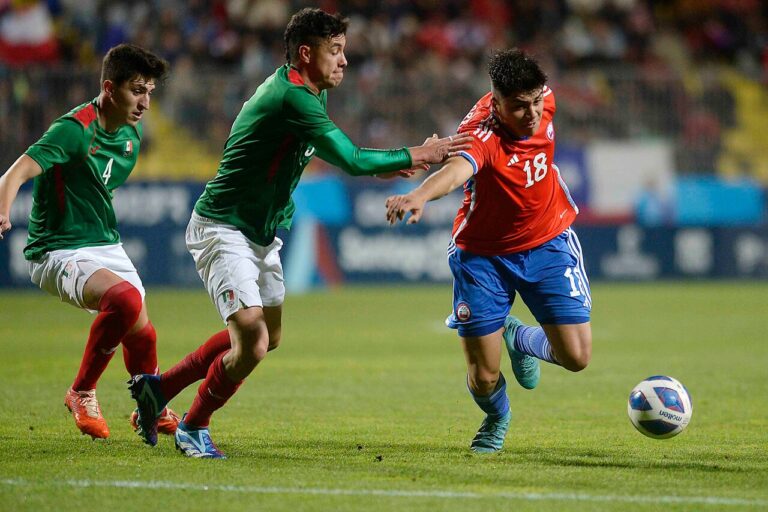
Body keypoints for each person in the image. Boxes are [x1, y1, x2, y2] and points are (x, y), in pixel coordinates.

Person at [128, 7, 471, 459]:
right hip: (223, 226)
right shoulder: (292, 97)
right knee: (252, 341)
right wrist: (422, 153)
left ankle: (158, 390)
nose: (344, 60)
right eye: (336, 50)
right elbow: (351, 158)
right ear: (306, 54)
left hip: (260, 233)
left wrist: (389, 166)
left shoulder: (310, 92)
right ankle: (194, 426)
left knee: (267, 338)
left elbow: (331, 152)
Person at [385, 49, 592, 453]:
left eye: (536, 102)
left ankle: (519, 337)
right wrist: (420, 195)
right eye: (519, 107)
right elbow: (455, 171)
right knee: (483, 377)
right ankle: (497, 417)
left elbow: (542, 98)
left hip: (547, 239)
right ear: (496, 103)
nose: (532, 114)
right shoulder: (482, 134)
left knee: (577, 357)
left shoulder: (544, 99)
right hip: (483, 257)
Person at [0, 44, 181, 440]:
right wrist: (3, 211)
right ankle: (81, 391)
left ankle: (150, 407)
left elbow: (96, 187)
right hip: (56, 248)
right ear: (109, 88)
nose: (145, 103)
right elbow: (14, 174)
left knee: (143, 332)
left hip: (104, 244)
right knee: (126, 301)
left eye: (149, 92)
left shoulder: (130, 137)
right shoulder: (73, 129)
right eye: (137, 91)